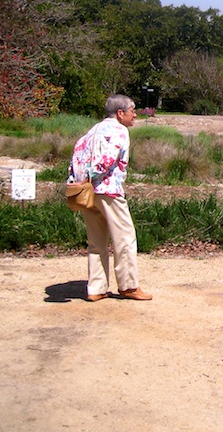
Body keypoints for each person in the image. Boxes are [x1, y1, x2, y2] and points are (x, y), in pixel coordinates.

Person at [68, 94, 152, 302]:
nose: (135, 115)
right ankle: (128, 285)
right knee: (124, 237)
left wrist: (79, 181)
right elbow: (107, 160)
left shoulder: (91, 131)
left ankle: (96, 288)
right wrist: (93, 174)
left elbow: (76, 157)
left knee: (96, 241)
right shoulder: (119, 130)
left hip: (86, 192)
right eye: (132, 110)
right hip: (108, 190)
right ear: (120, 113)